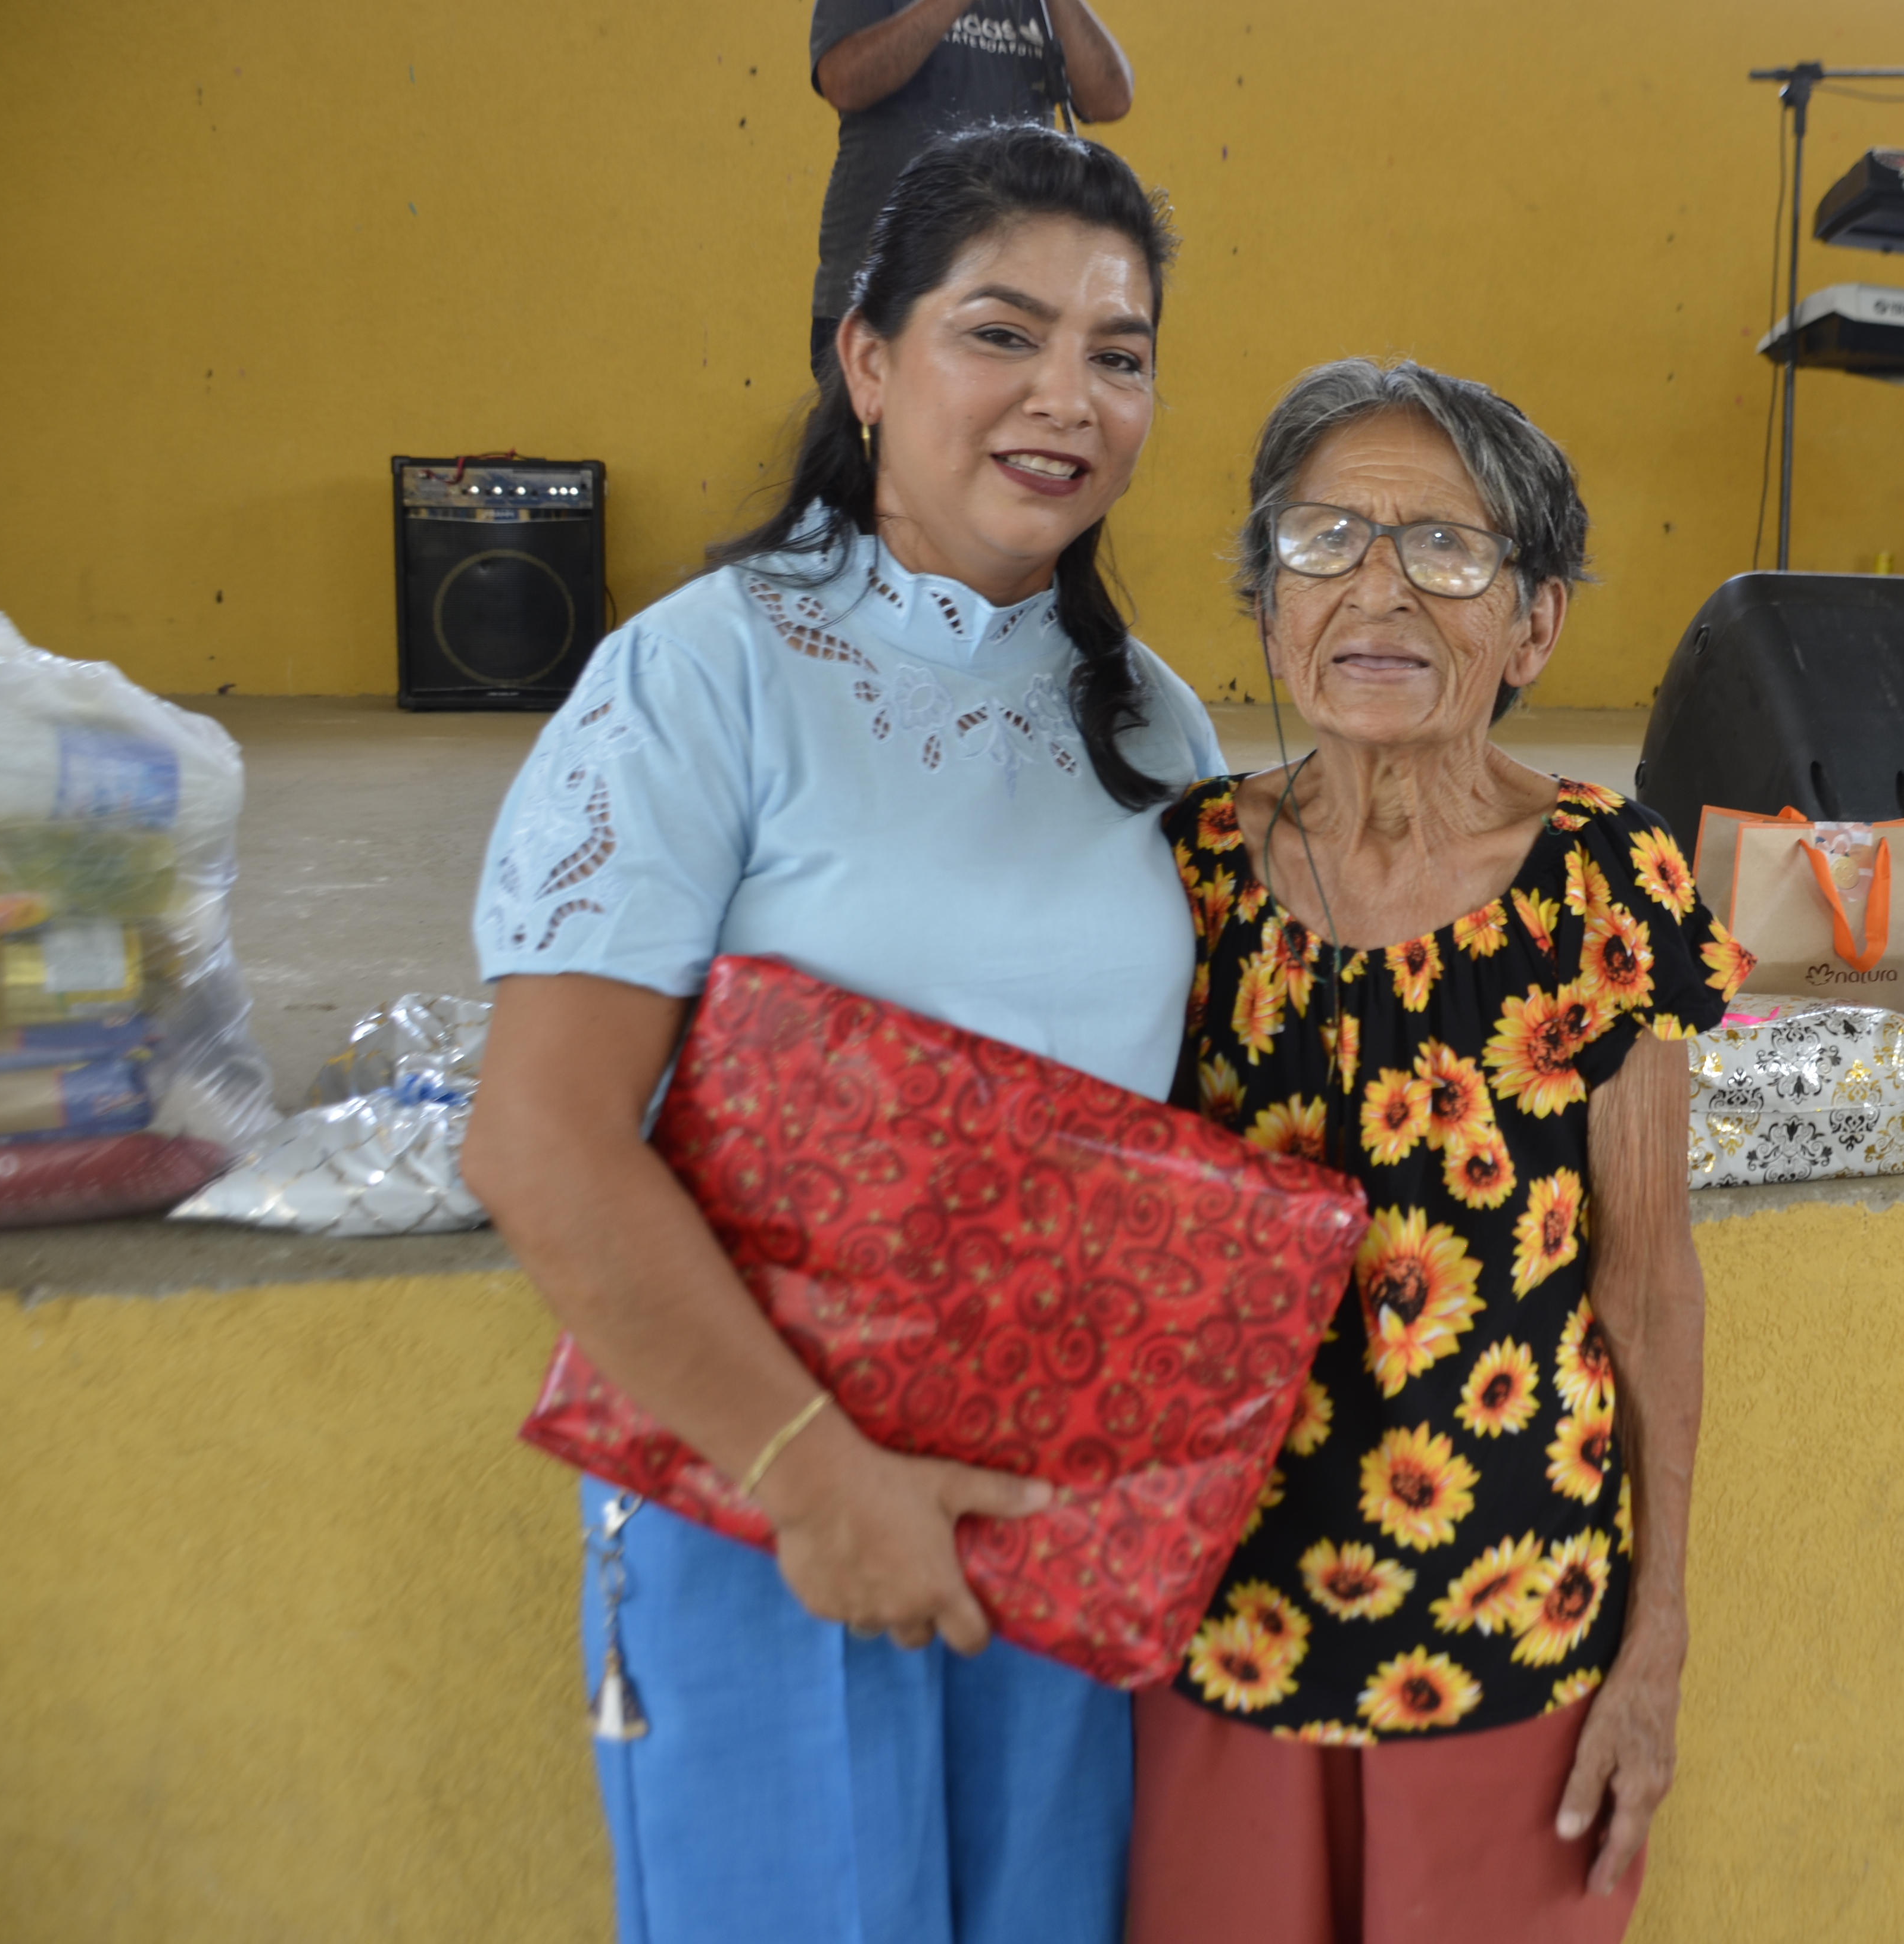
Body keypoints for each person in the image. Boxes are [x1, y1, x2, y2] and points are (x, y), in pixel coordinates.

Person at [463, 123, 1223, 1944]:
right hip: (759, 1504)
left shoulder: (1161, 727)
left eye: (1117, 354)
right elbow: (542, 1136)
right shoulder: (701, 671)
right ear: (866, 362)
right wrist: (811, 1474)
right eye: (1001, 333)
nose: (1067, 396)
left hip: (1053, 1517)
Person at [1123, 359, 1746, 1944]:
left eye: (1448, 550)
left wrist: (1655, 1638)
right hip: (1223, 1620)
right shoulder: (1182, 870)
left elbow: (1650, 1281)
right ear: (1267, 605)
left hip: (1509, 1611)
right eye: (1325, 541)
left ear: (1533, 625)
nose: (1377, 589)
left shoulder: (1607, 881)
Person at [809, 0, 1135, 382]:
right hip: (886, 283)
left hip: (1012, 292)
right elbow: (846, 82)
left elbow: (1110, 99)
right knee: (871, 439)